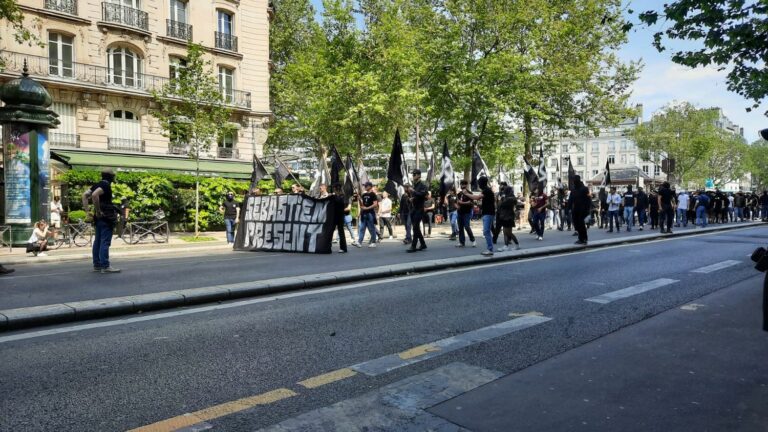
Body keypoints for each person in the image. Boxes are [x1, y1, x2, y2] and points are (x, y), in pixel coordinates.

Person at [83, 168, 120, 273]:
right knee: (105, 242)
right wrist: (99, 210)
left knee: (98, 241)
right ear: (110, 177)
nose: (114, 177)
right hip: (106, 217)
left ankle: (97, 265)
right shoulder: (105, 185)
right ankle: (105, 266)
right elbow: (95, 195)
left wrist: (87, 211)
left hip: (98, 218)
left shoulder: (97, 184)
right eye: (113, 175)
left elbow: (85, 195)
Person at [461, 177, 496, 256]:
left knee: (486, 231)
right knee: (486, 231)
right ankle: (489, 248)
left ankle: (490, 249)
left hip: (488, 213)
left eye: (479, 183)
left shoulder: (487, 190)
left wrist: (466, 194)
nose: (478, 185)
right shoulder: (486, 190)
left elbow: (476, 197)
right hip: (487, 213)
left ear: (482, 183)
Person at [407, 169, 428, 252]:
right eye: (413, 174)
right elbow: (415, 197)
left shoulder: (423, 185)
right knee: (416, 228)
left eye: (415, 174)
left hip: (420, 209)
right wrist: (411, 199)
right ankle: (423, 244)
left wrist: (414, 192)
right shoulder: (414, 185)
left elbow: (422, 195)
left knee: (415, 227)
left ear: (419, 175)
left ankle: (413, 246)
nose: (413, 176)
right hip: (413, 209)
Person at [496, 186, 520, 251]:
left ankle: (517, 245)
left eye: (505, 190)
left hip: (508, 217)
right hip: (505, 216)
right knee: (505, 232)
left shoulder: (510, 198)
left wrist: (501, 199)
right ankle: (506, 245)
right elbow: (499, 205)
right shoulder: (507, 197)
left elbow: (501, 204)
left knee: (508, 232)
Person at [357, 181, 379, 248]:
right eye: (364, 186)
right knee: (362, 228)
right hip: (364, 214)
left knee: (371, 228)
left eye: (366, 186)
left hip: (370, 213)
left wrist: (367, 208)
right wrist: (359, 200)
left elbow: (375, 204)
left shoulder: (373, 194)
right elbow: (362, 205)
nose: (365, 187)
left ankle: (373, 242)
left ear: (370, 186)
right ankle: (359, 242)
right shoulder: (363, 195)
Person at [456, 180, 477, 248]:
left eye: (464, 184)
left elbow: (471, 203)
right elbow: (457, 202)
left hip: (467, 212)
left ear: (466, 185)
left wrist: (462, 203)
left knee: (467, 226)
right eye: (461, 184)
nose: (462, 186)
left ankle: (473, 240)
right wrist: (457, 206)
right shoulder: (459, 194)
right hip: (460, 212)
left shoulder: (470, 193)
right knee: (460, 227)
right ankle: (462, 242)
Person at [571, 175, 592, 245]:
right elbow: (571, 199)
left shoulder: (585, 189)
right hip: (575, 209)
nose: (573, 182)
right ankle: (580, 238)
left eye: (574, 180)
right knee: (576, 224)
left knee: (581, 224)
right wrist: (568, 208)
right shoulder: (573, 189)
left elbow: (589, 199)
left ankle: (584, 238)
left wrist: (588, 209)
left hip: (583, 209)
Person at [331, 183, 348, 253]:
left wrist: (333, 197)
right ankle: (328, 246)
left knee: (341, 232)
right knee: (331, 231)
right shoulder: (335, 196)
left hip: (340, 215)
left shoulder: (342, 196)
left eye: (334, 188)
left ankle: (343, 248)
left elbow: (342, 204)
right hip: (335, 215)